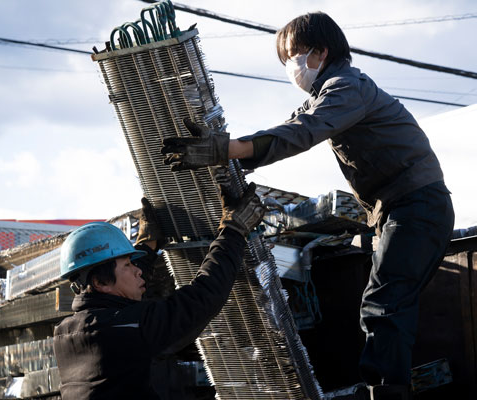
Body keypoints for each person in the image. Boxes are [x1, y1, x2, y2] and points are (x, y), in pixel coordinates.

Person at [161, 11, 455, 400]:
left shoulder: (347, 87)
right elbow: (285, 131)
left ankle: (386, 393)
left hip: (416, 207)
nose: (291, 67)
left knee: (383, 304)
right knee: (389, 302)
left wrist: (227, 148)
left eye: (294, 56)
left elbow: (303, 133)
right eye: (284, 61)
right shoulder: (326, 95)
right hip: (400, 211)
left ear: (321, 51)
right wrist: (228, 154)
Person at [53, 183, 265, 399]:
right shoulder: (128, 327)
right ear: (99, 282)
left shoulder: (65, 333)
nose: (137, 271)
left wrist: (146, 246)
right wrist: (234, 231)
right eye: (128, 264)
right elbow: (202, 297)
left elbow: (120, 297)